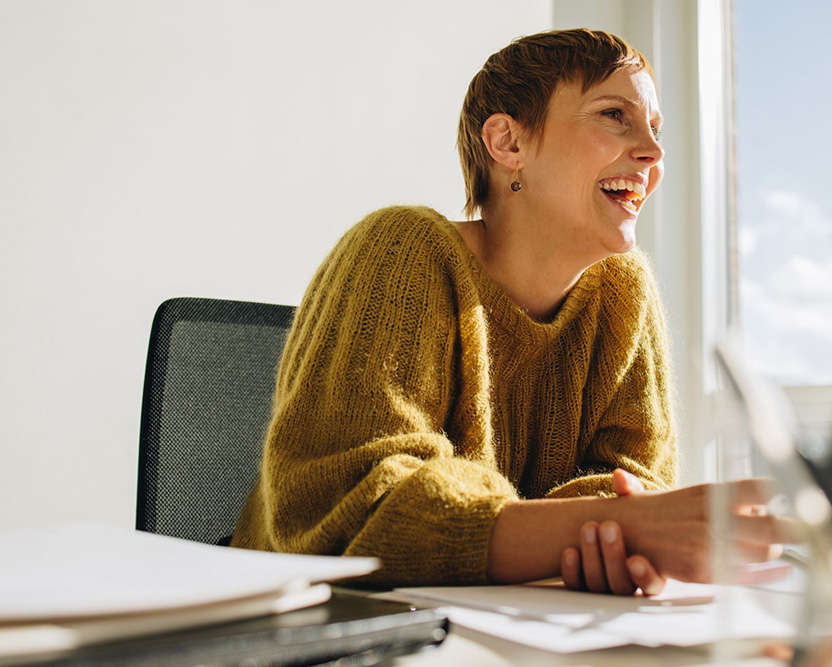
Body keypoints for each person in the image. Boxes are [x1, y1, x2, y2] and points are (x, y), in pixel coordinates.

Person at [232, 28, 786, 595]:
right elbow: (349, 510)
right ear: (508, 143)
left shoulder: (625, 291)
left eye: (654, 128)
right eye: (614, 115)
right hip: (297, 627)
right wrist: (603, 528)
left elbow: (633, 487)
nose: (652, 151)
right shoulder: (399, 249)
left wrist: (603, 531)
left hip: (503, 627)